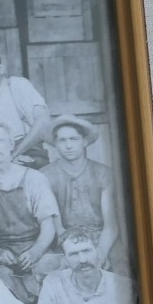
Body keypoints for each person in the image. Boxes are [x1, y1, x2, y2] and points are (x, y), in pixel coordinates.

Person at [0, 124, 64, 303]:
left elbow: (48, 227)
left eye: (0, 140)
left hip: (32, 247)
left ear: (11, 145)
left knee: (54, 272)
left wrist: (35, 252)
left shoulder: (35, 178)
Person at [40, 114, 123, 271]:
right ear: (55, 144)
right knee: (53, 269)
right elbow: (57, 228)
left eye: (74, 139)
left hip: (101, 238)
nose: (68, 146)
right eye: (62, 140)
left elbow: (110, 225)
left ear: (85, 141)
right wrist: (74, 251)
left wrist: (101, 253)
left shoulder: (103, 173)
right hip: (64, 240)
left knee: (123, 268)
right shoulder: (45, 175)